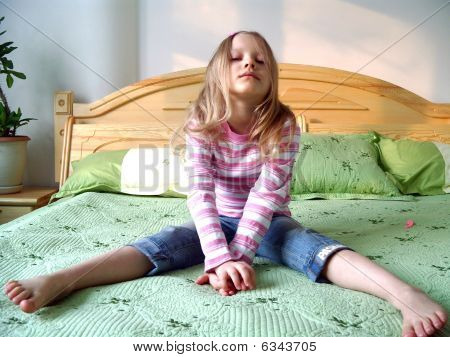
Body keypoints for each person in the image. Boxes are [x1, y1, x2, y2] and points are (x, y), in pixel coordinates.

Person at [4, 31, 447, 338]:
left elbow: (266, 195)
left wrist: (239, 256)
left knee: (309, 245)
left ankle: (405, 295)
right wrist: (218, 256)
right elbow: (200, 194)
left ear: (271, 77)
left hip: (268, 220)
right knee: (160, 244)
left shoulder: (284, 124)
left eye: (260, 59)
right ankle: (61, 280)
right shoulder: (201, 123)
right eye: (237, 57)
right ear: (219, 72)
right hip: (211, 219)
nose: (249, 62)